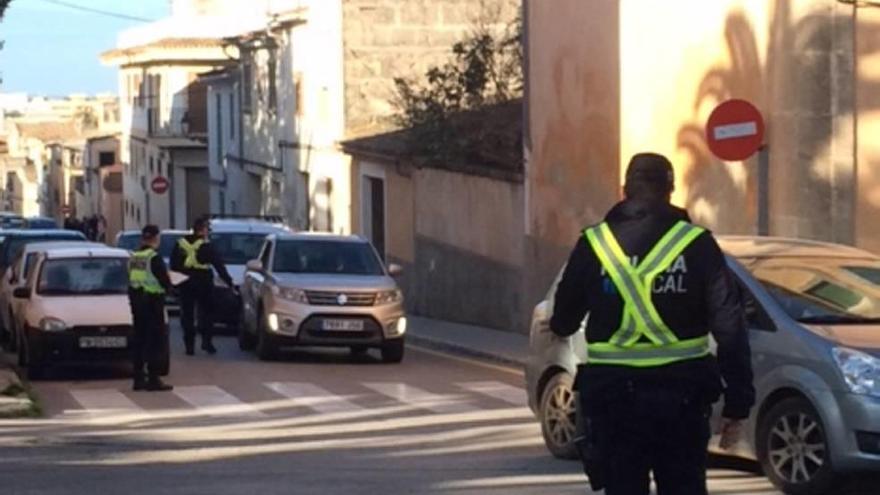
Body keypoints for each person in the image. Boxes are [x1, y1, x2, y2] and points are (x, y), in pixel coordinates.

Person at [550, 153, 755, 495]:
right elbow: (729, 324)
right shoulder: (697, 245)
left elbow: (565, 320)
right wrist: (738, 403)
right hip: (682, 399)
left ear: (624, 190)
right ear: (670, 191)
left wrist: (558, 324)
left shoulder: (594, 244)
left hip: (613, 400)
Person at [170, 216, 234, 355]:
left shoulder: (180, 243)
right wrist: (229, 282)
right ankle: (207, 342)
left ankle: (189, 346)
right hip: (203, 281)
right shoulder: (207, 245)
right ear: (203, 230)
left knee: (187, 315)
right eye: (207, 229)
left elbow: (173, 264)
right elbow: (219, 265)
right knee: (207, 313)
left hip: (185, 282)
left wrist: (175, 281)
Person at [128, 224, 174, 392]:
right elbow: (163, 279)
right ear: (156, 238)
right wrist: (170, 286)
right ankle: (154, 379)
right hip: (152, 303)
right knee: (155, 342)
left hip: (137, 304)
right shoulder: (153, 257)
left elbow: (132, 281)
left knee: (139, 342)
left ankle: (138, 378)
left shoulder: (134, 257)